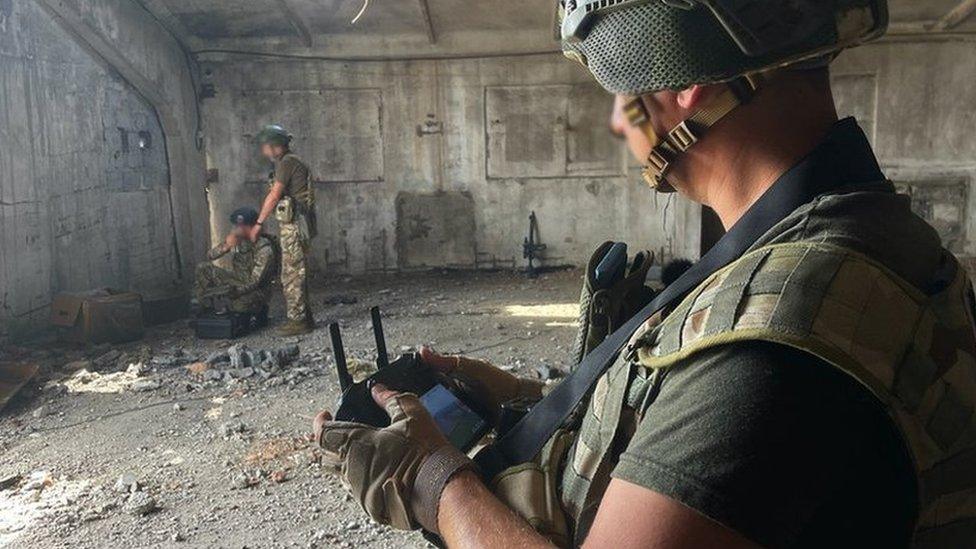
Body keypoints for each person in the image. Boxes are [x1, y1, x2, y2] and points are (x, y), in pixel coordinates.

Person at [312, 2, 976, 548]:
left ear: (684, 87)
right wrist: (523, 399)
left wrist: (435, 479)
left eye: (621, 93)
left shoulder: (784, 341)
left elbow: (746, 405)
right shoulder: (845, 235)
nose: (615, 119)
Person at [253, 124, 317, 336]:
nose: (263, 152)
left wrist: (259, 223)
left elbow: (274, 196)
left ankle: (298, 322)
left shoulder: (287, 164)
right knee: (297, 271)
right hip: (299, 224)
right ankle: (304, 317)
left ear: (274, 147)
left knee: (291, 274)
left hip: (294, 226)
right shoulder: (292, 162)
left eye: (264, 147)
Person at [194, 207, 278, 321]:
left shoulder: (264, 248)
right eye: (236, 226)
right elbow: (210, 256)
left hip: (257, 290)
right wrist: (226, 246)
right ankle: (206, 309)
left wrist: (233, 292)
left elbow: (255, 282)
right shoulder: (238, 239)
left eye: (242, 226)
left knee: (239, 305)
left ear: (252, 227)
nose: (237, 229)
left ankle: (259, 310)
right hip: (238, 279)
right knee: (203, 268)